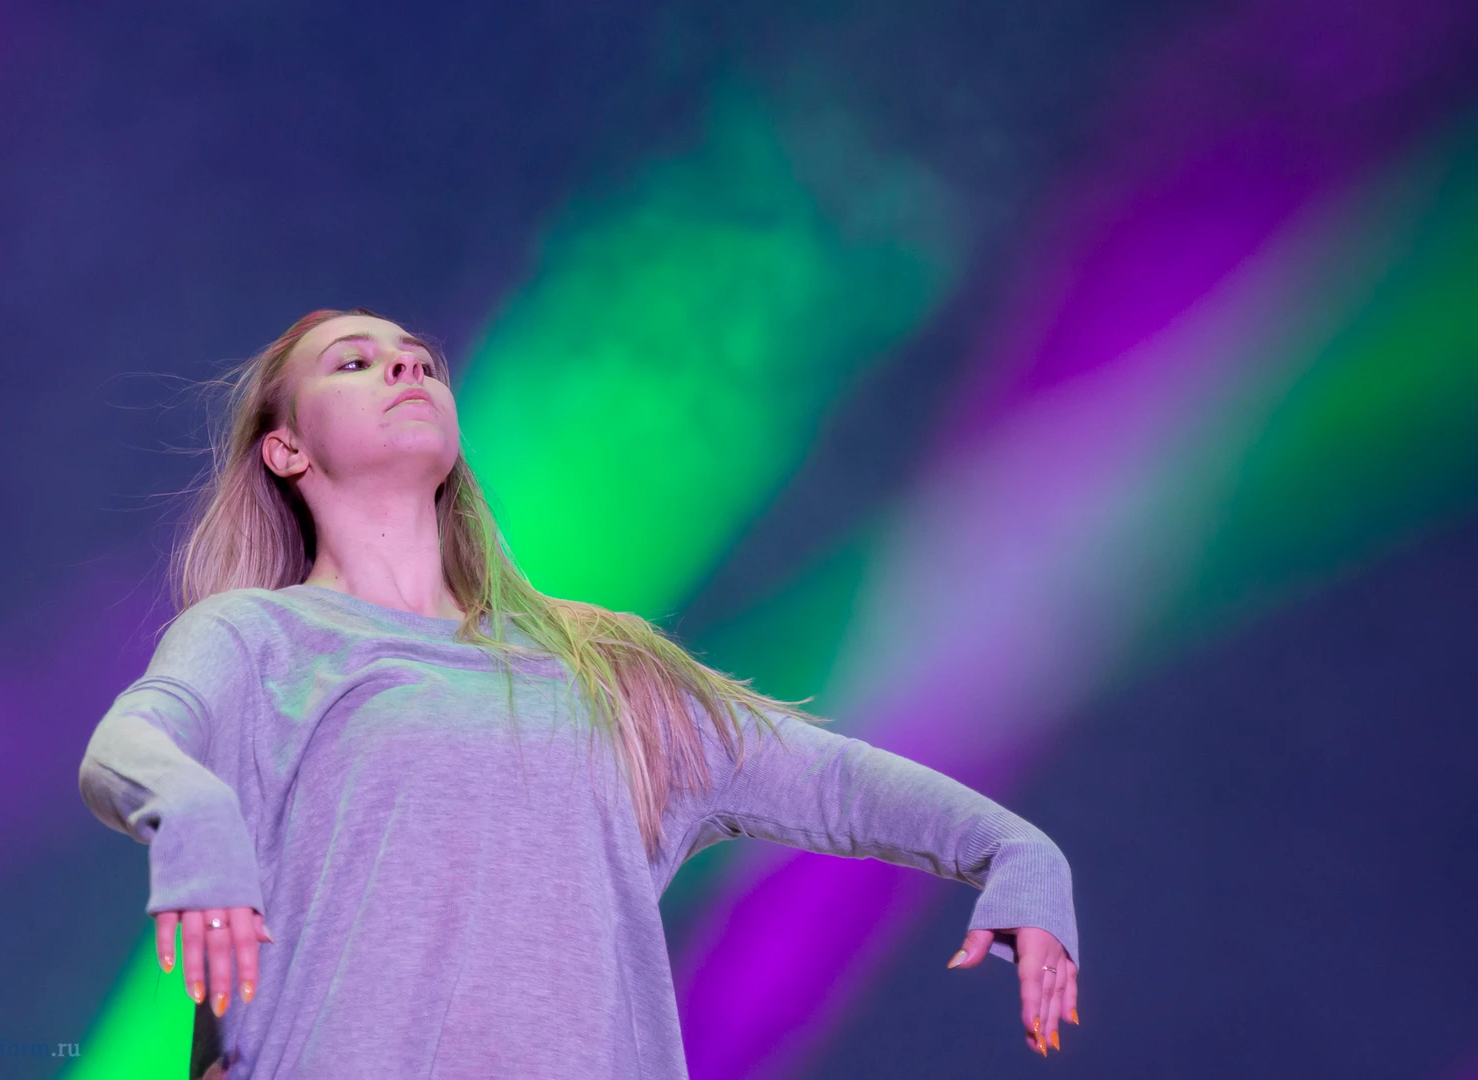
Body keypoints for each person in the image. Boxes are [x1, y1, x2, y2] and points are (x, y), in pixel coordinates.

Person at [78, 308, 1081, 1080]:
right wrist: (194, 813)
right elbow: (133, 741)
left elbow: (835, 781)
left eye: (420, 360)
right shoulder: (261, 637)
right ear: (286, 448)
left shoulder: (600, 665)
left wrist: (1018, 852)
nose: (407, 368)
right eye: (354, 362)